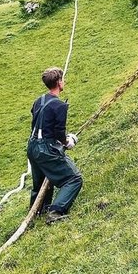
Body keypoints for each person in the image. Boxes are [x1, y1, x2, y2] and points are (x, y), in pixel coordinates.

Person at [27, 67, 83, 224]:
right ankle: (56, 212)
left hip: (32, 146)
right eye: (62, 79)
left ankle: (37, 212)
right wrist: (68, 141)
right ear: (59, 82)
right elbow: (59, 133)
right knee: (73, 179)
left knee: (40, 183)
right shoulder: (60, 106)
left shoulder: (38, 101)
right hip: (46, 148)